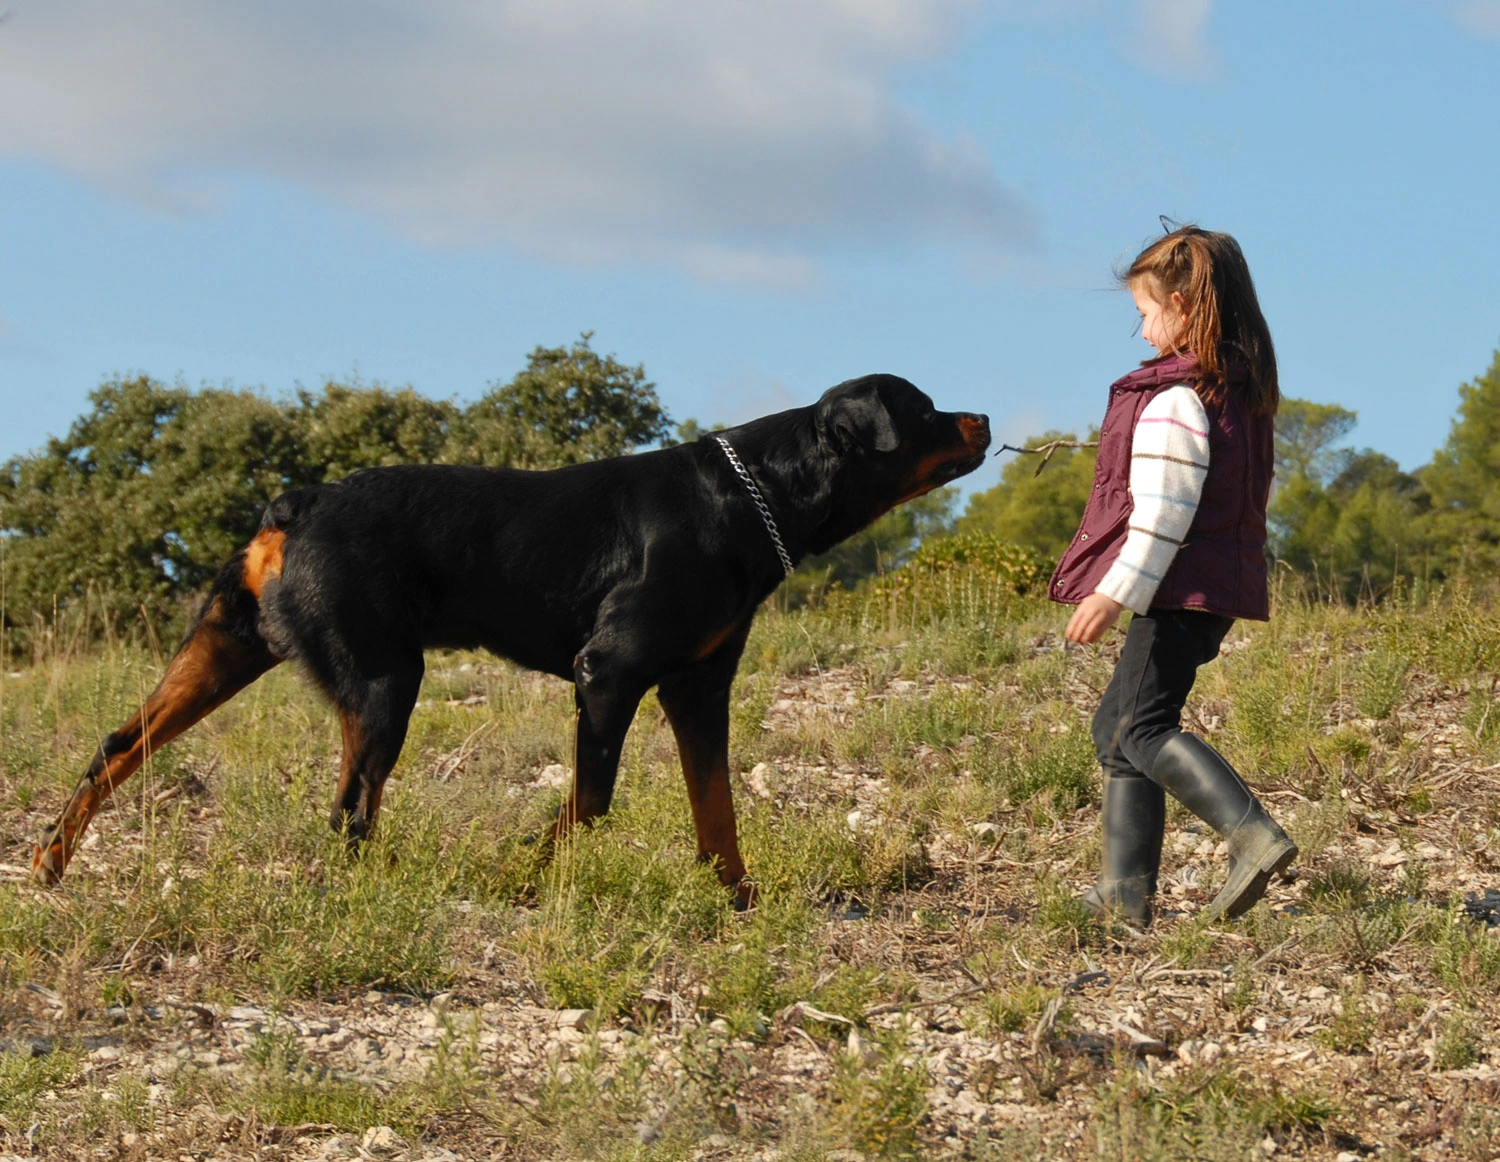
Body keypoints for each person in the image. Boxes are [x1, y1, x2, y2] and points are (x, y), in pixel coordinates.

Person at [1049, 224, 1296, 927]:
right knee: (1119, 729)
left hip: (1175, 589)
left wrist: (1109, 593)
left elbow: (1163, 518)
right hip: (1203, 589)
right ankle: (1125, 896)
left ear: (1184, 307)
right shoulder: (1233, 395)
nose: (1143, 329)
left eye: (1146, 314)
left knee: (1144, 726)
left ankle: (1253, 836)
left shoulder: (1176, 401)